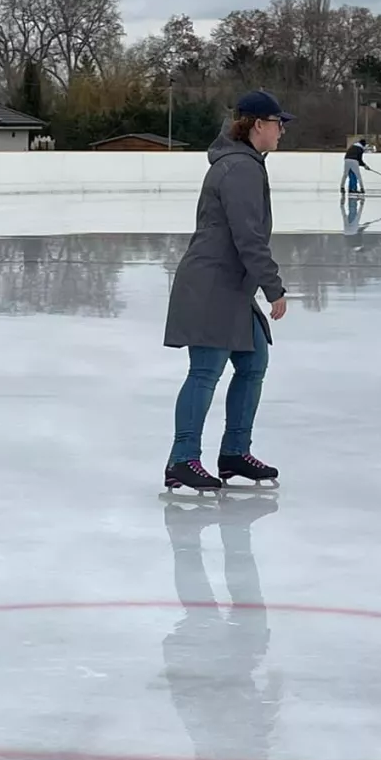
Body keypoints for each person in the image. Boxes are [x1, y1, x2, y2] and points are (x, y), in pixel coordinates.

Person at [162, 91, 291, 493]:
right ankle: (182, 459)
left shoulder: (244, 163)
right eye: (277, 122)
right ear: (257, 125)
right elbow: (247, 236)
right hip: (211, 286)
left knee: (254, 363)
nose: (281, 130)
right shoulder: (239, 168)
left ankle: (234, 452)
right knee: (205, 371)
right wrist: (273, 287)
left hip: (231, 288)